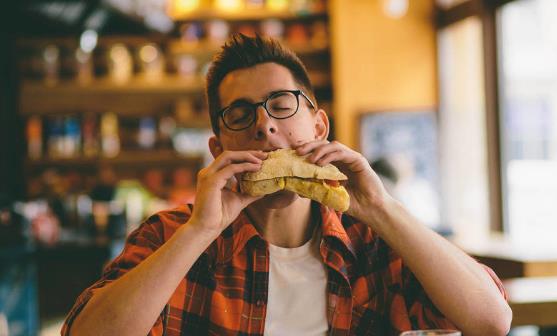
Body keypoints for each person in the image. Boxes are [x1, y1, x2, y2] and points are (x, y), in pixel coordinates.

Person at [62, 34, 511, 336]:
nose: (265, 128)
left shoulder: (375, 241)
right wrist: (198, 231)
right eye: (240, 115)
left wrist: (381, 207)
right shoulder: (171, 236)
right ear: (218, 149)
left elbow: (492, 321)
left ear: (319, 126)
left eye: (281, 105)